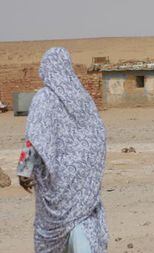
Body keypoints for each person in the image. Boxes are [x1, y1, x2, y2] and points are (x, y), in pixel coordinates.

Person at [16, 47, 108, 253]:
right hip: (80, 184)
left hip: (55, 184)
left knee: (54, 235)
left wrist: (24, 171)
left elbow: (34, 138)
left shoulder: (44, 98)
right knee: (83, 222)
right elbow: (98, 136)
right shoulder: (82, 98)